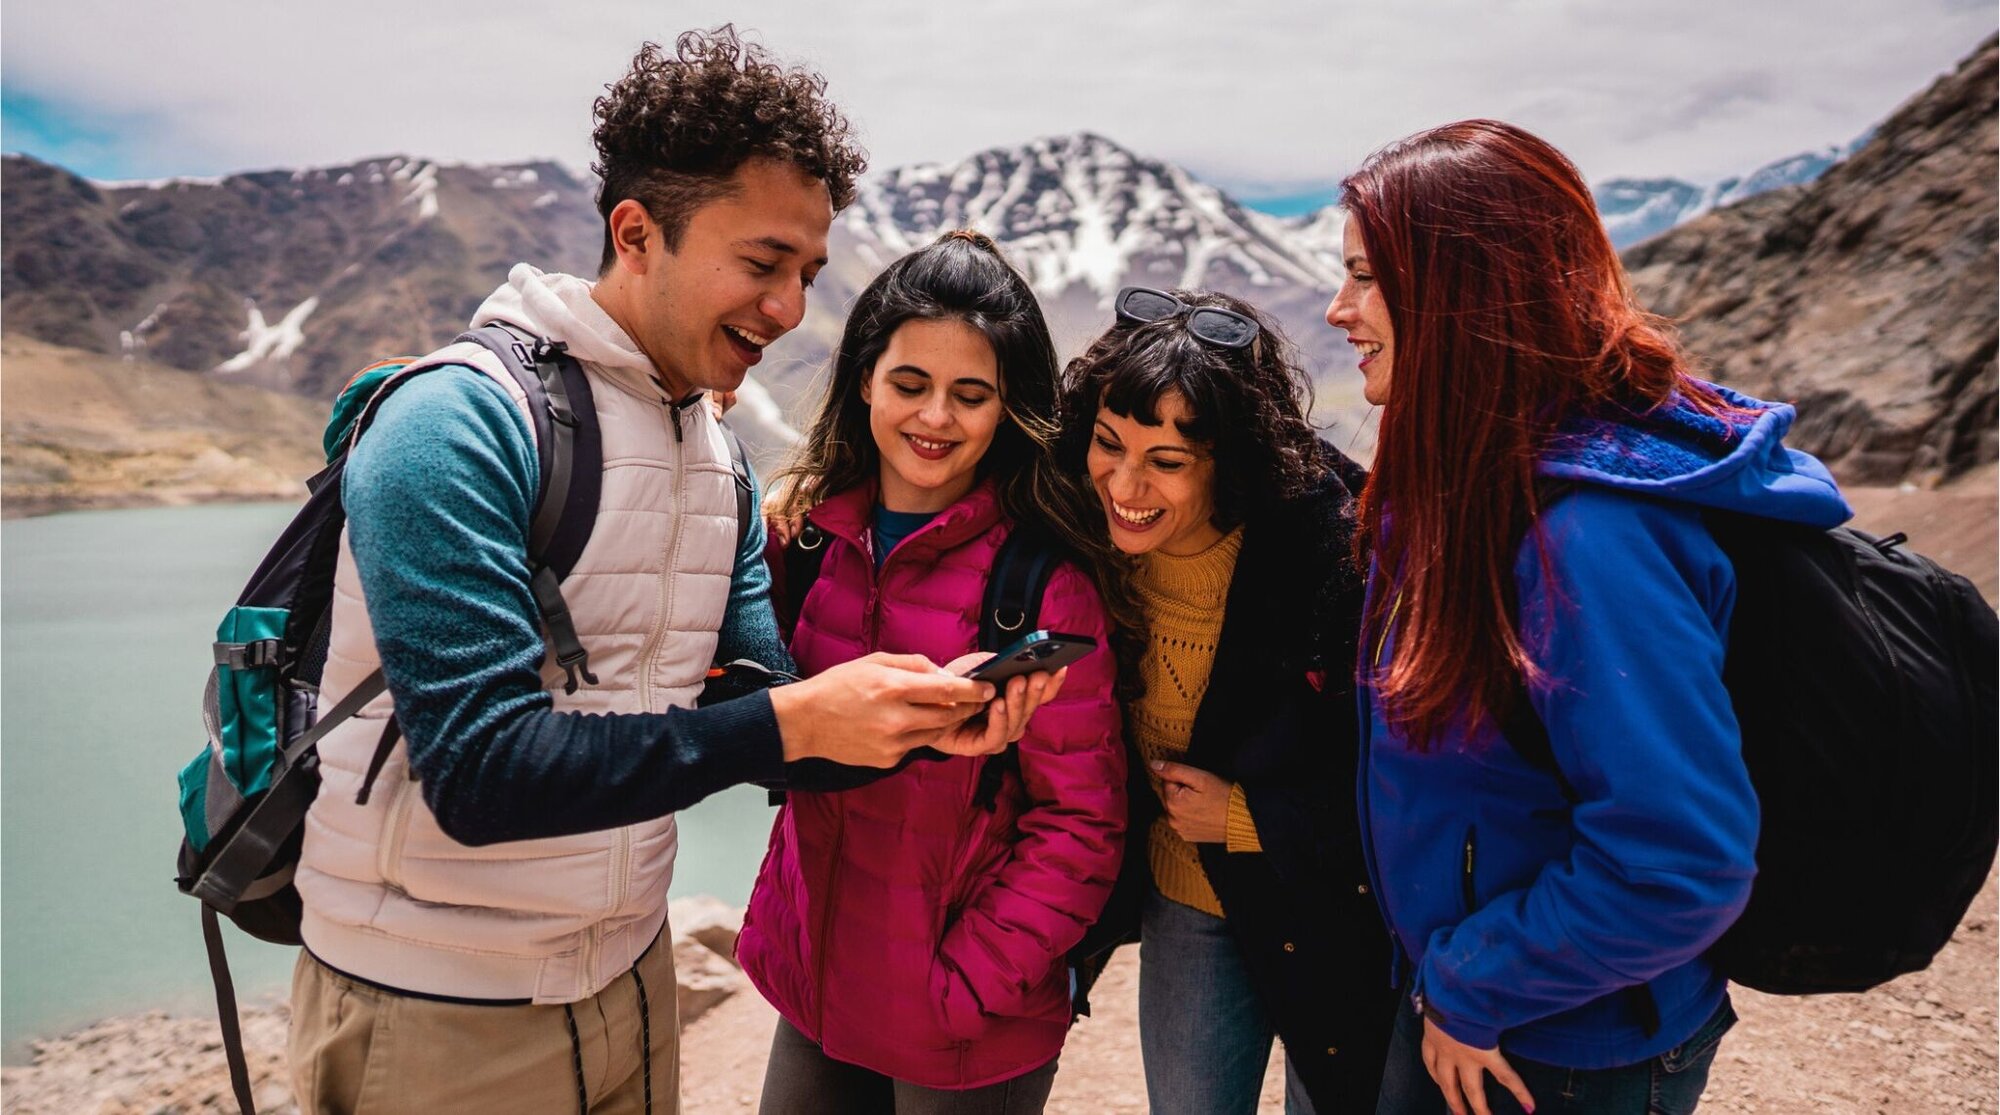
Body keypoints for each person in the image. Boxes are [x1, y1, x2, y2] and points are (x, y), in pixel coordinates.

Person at [286, 32, 1062, 1114]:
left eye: (806, 274)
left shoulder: (716, 460)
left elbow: (762, 710)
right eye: (761, 264)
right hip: (435, 1006)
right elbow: (478, 770)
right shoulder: (455, 424)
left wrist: (924, 723)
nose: (789, 308)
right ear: (637, 234)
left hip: (627, 982)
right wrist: (793, 721)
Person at [1331, 119, 1853, 1115]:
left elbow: (1678, 861)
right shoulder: (1469, 486)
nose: (1337, 308)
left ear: (1461, 292)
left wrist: (1471, 983)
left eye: (1365, 277)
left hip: (1564, 1045)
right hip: (1488, 1003)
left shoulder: (1585, 540)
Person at [735, 230, 1132, 1114]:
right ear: (865, 381)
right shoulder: (808, 543)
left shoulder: (1042, 586)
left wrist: (962, 985)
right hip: (816, 979)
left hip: (963, 1023)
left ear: (1007, 407)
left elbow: (1080, 821)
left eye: (971, 395)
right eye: (910, 384)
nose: (936, 418)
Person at [1056, 287, 1399, 1115]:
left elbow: (1395, 778)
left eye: (1168, 462)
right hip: (1188, 893)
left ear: (1231, 461)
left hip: (1327, 910)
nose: (1125, 483)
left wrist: (1249, 817)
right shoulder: (1078, 534)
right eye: (1109, 443)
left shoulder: (1338, 558)